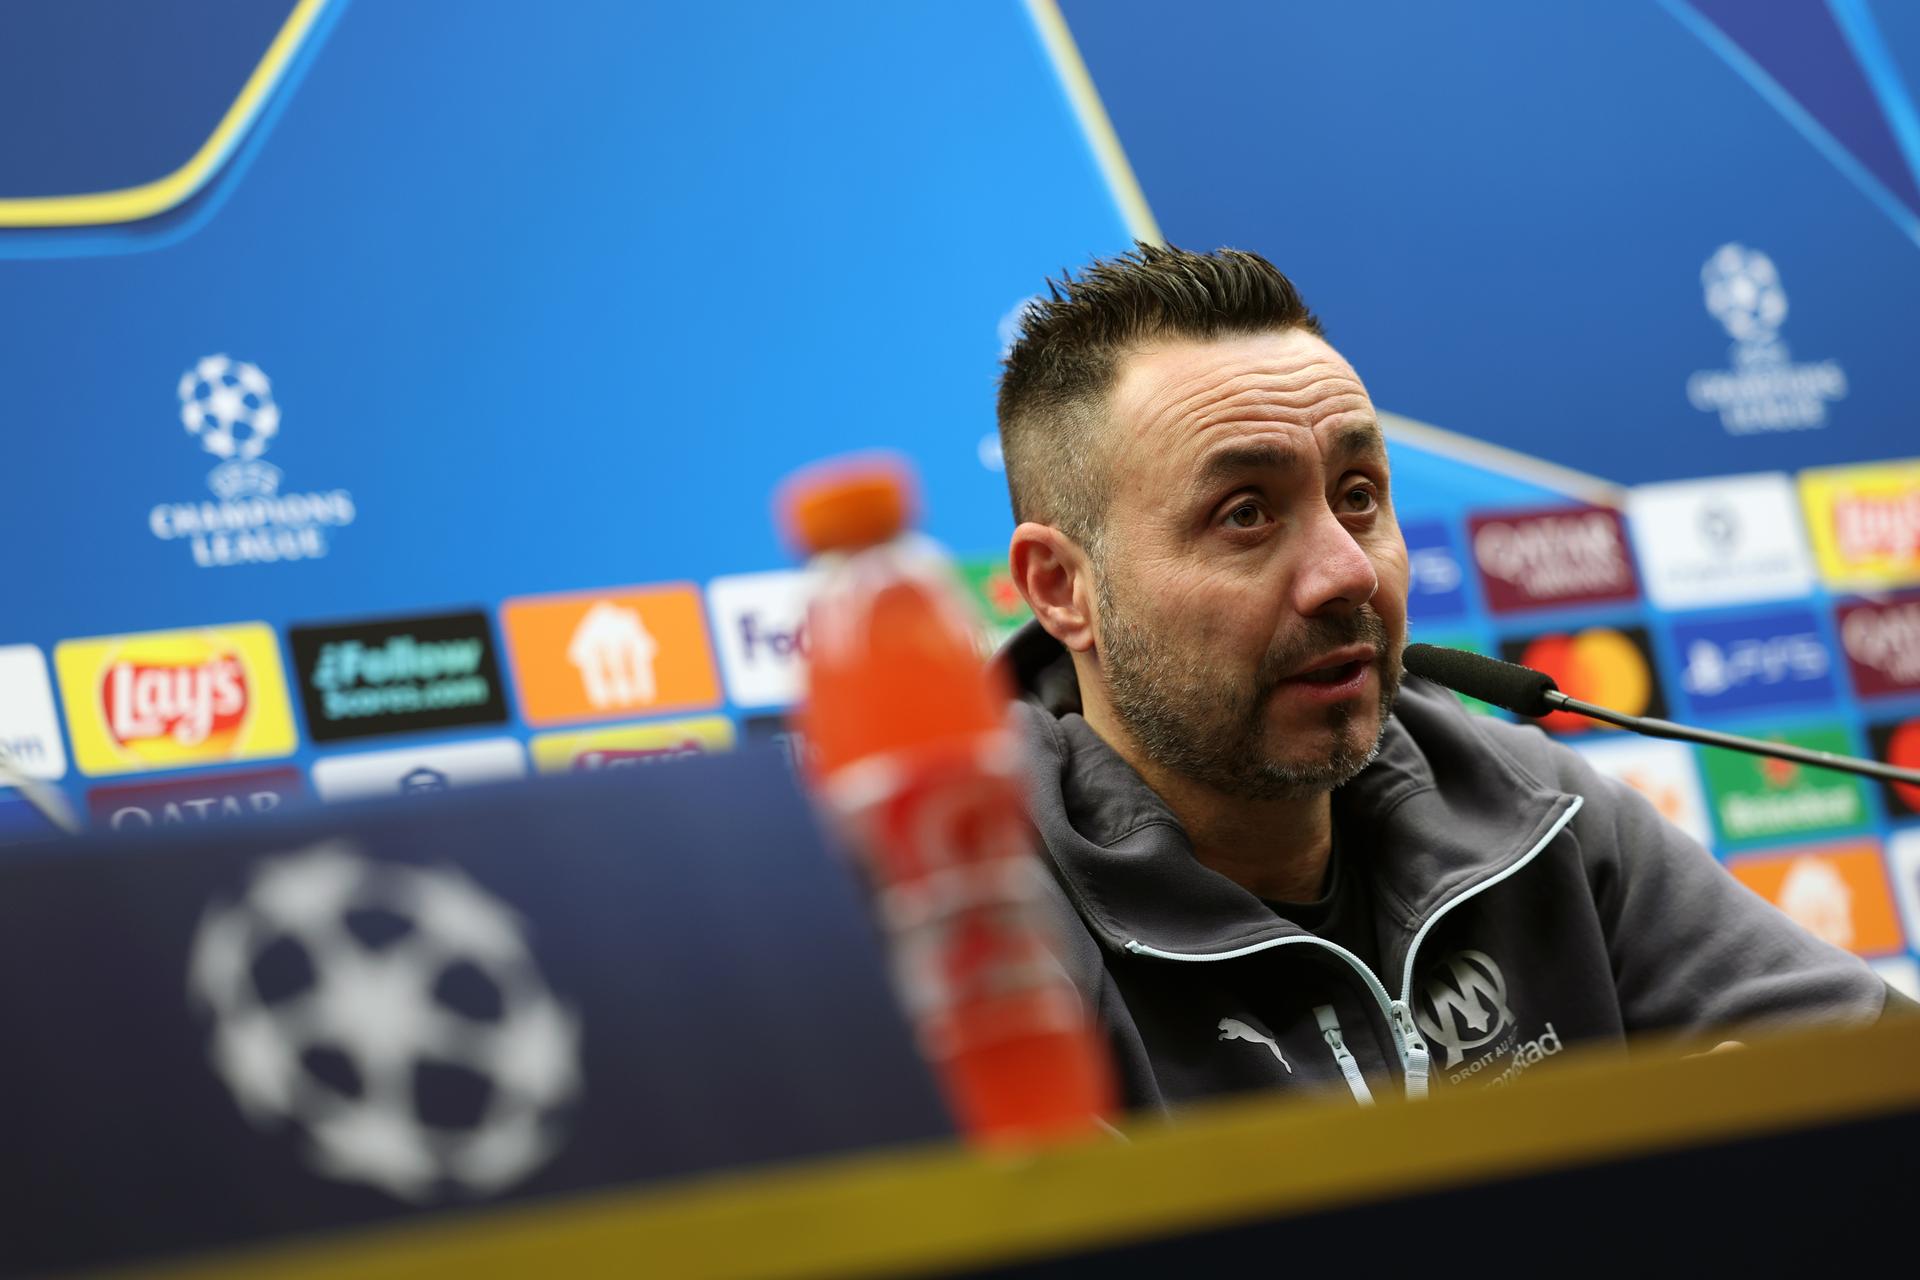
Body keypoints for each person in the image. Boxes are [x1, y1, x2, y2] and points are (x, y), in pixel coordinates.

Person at [994, 242, 1905, 1112]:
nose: (1348, 571)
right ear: (1062, 588)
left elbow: (1885, 1073)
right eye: (1245, 514)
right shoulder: (996, 931)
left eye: (1358, 495)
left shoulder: (1522, 802)